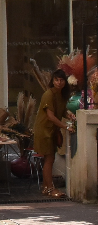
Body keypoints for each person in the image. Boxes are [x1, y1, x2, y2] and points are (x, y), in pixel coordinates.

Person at [34, 70, 73, 198]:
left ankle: (46, 188)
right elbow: (50, 116)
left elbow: (61, 110)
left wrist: (69, 115)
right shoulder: (48, 94)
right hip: (44, 130)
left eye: (61, 80)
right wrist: (65, 126)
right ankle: (51, 188)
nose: (59, 82)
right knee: (49, 159)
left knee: (50, 159)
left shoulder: (61, 95)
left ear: (65, 82)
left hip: (52, 130)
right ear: (53, 81)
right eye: (56, 80)